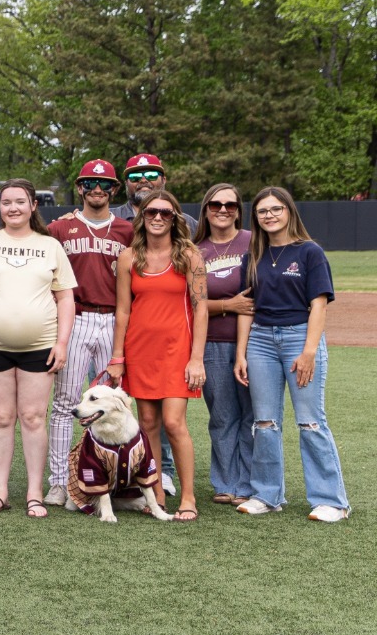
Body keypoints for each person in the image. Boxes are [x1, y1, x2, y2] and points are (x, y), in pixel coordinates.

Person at [0, 179, 75, 518]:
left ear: (33, 206)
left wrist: (62, 343)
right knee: (1, 417)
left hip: (40, 347)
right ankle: (0, 493)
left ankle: (35, 494)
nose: (13, 208)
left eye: (20, 202)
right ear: (0, 207)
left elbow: (65, 296)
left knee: (33, 417)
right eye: (7, 202)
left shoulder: (50, 246)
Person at [235, 187, 350, 521]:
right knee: (265, 422)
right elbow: (246, 306)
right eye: (262, 211)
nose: (269, 215)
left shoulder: (310, 252)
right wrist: (241, 353)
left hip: (300, 337)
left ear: (289, 211)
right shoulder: (253, 255)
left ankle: (331, 501)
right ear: (255, 218)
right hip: (260, 342)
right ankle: (267, 495)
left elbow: (318, 306)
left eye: (276, 209)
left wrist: (309, 352)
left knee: (310, 421)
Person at [107, 187, 208, 521]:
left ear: (175, 218)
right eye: (152, 212)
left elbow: (201, 307)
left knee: (173, 422)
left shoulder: (189, 255)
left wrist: (196, 357)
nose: (159, 218)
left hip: (177, 351)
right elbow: (123, 311)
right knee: (147, 422)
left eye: (166, 213)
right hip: (140, 350)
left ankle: (189, 497)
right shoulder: (128, 257)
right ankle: (157, 494)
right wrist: (117, 357)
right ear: (142, 216)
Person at [43, 158, 135, 507]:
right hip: (74, 317)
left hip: (114, 320)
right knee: (67, 403)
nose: (97, 190)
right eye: (89, 184)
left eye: (104, 184)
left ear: (114, 189)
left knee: (115, 403)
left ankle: (115, 477)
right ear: (79, 188)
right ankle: (58, 482)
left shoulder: (127, 230)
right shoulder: (59, 229)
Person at [193, 184, 255, 506]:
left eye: (230, 205)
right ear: (206, 209)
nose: (223, 210)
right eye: (216, 204)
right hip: (212, 343)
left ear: (238, 210)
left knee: (252, 415)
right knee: (222, 415)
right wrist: (228, 305)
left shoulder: (252, 241)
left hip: (255, 342)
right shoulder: (194, 249)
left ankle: (248, 484)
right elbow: (190, 304)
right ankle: (225, 483)